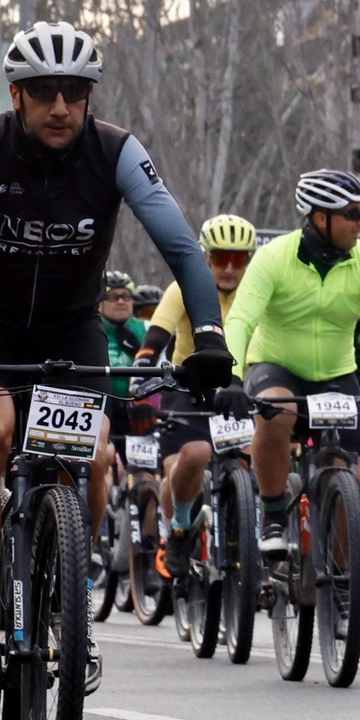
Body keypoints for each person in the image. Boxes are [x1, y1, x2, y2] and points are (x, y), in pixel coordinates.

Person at [0, 21, 233, 693]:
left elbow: (182, 249)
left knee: (92, 456)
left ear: (90, 96)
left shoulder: (118, 151)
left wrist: (209, 336)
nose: (59, 106)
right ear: (16, 94)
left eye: (74, 91)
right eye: (43, 92)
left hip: (69, 331)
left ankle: (66, 606)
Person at [222, 169, 360, 562]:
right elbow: (241, 319)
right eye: (354, 212)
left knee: (358, 486)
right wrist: (230, 375)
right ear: (319, 218)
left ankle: (343, 584)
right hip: (276, 366)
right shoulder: (274, 258)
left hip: (335, 376)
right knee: (279, 410)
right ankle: (274, 515)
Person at [136, 214, 257, 578]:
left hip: (236, 387)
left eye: (240, 260)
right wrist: (143, 365)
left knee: (259, 456)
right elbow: (158, 333)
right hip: (188, 386)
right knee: (193, 456)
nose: (231, 268)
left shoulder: (255, 290)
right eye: (222, 258)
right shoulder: (183, 286)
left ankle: (251, 536)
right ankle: (178, 529)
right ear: (205, 257)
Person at [100, 270, 146, 366]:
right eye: (113, 297)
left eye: (126, 296)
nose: (121, 302)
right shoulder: (91, 332)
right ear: (99, 303)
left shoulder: (147, 328)